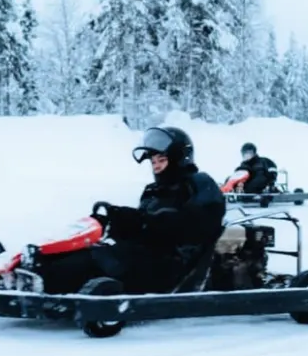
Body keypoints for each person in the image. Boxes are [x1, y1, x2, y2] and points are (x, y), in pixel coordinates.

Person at [35, 126, 226, 295]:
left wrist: (143, 221)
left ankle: (44, 282)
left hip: (171, 263)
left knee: (96, 259)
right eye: (153, 162)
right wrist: (114, 220)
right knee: (89, 251)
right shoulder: (154, 191)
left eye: (162, 160)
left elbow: (196, 225)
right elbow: (140, 228)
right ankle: (34, 269)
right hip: (143, 254)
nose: (156, 166)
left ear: (178, 159)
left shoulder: (199, 184)